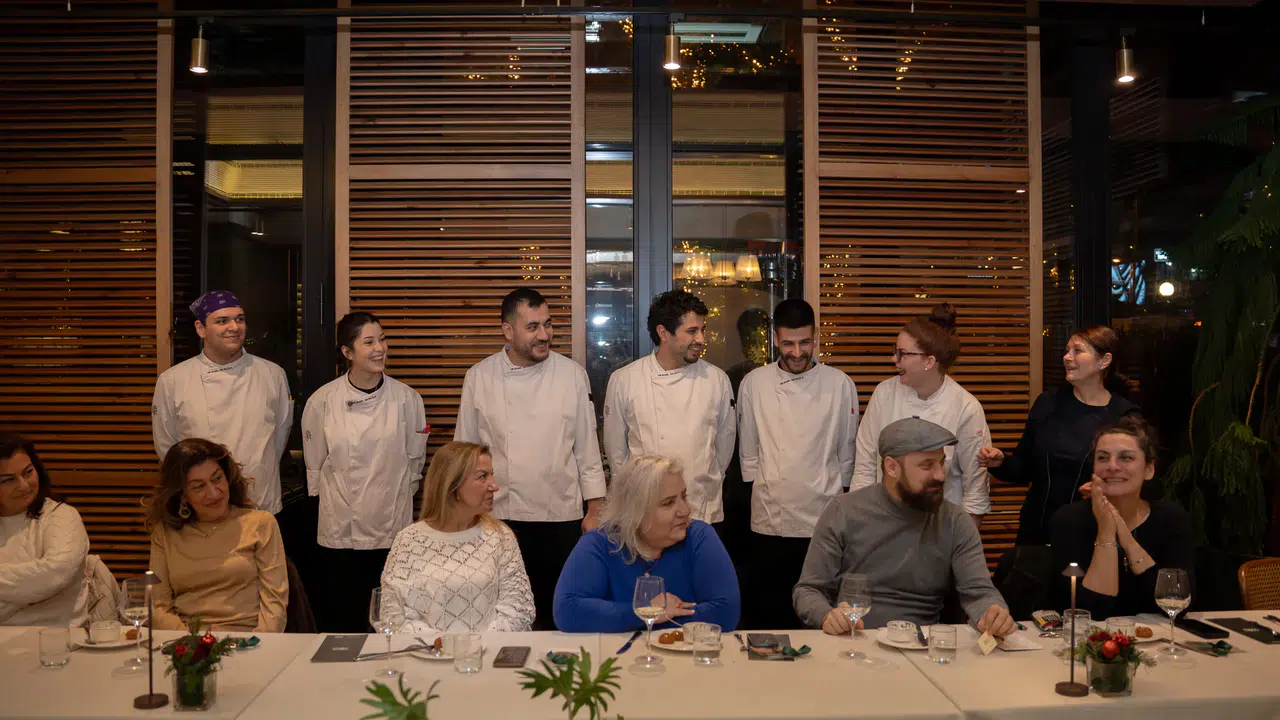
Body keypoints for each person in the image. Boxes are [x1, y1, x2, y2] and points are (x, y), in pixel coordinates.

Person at [454, 288, 606, 631]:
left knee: (558, 614)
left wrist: (595, 510)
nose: (544, 335)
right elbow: (465, 454)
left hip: (561, 516)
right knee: (503, 613)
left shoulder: (571, 375)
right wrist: (465, 513)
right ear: (508, 331)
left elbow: (587, 448)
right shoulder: (479, 377)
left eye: (548, 325)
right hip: (499, 517)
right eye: (533, 327)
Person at [795, 417, 1014, 636]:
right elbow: (808, 590)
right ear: (892, 467)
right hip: (853, 640)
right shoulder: (842, 511)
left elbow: (980, 593)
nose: (940, 475)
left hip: (921, 646)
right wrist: (825, 615)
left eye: (941, 462)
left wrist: (993, 613)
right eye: (927, 465)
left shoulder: (955, 520)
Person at [302, 311, 427, 632]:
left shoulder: (408, 399)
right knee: (344, 620)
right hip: (341, 531)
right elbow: (315, 467)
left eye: (382, 339)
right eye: (368, 342)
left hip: (392, 527)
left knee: (392, 619)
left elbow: (415, 463)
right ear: (347, 352)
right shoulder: (322, 401)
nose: (379, 348)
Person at [737, 298, 857, 629]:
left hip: (823, 519)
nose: (797, 352)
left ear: (815, 337)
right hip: (770, 521)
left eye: (805, 342)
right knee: (770, 615)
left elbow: (847, 455)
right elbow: (749, 455)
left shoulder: (840, 384)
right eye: (788, 343)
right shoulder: (754, 384)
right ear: (775, 339)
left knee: (822, 616)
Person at [978, 326, 1139, 545]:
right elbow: (1024, 468)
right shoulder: (1048, 404)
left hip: (1092, 536)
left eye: (1077, 351)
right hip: (1036, 533)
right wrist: (1000, 461)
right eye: (1067, 350)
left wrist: (1108, 490)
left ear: (1104, 361)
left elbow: (1140, 484)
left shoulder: (1123, 416)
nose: (1067, 357)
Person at [553, 455, 740, 633]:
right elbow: (568, 610)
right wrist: (644, 612)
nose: (685, 510)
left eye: (683, 497)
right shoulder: (600, 542)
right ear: (635, 513)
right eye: (668, 503)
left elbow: (725, 612)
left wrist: (637, 622)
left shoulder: (699, 536)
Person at [152, 290, 293, 514]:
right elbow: (167, 447)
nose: (234, 327)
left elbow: (279, 436)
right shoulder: (173, 381)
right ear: (201, 329)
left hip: (260, 501)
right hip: (202, 506)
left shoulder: (272, 374)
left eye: (239, 319)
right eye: (222, 321)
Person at [603, 290, 736, 527]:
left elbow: (724, 448)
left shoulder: (717, 380)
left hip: (701, 512)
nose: (701, 340)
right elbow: (617, 457)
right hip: (644, 516)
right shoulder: (625, 380)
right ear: (664, 333)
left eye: (702, 330)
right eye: (692, 331)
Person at [850, 303, 991, 524]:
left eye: (903, 354)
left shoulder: (966, 408)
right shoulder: (884, 393)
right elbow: (865, 464)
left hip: (940, 528)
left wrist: (961, 546)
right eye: (895, 351)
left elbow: (976, 490)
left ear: (929, 362)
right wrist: (861, 524)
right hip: (883, 523)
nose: (895, 360)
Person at [380, 442, 535, 634]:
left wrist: (473, 648)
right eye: (482, 477)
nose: (494, 486)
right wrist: (443, 649)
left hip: (488, 657)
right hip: (424, 657)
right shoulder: (409, 541)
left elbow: (518, 611)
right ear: (452, 485)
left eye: (492, 475)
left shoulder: (500, 536)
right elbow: (393, 616)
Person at [1049, 418, 1194, 618]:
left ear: (1149, 470)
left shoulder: (1173, 519)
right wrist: (1106, 532)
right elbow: (1089, 612)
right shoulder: (1069, 520)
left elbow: (1177, 605)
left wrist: (1126, 537)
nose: (1112, 466)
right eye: (1102, 458)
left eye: (1126, 458)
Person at [145, 438, 288, 632]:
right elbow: (158, 607)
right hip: (186, 644)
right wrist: (195, 643)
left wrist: (258, 645)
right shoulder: (164, 534)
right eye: (199, 486)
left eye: (217, 479)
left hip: (250, 642)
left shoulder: (260, 523)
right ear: (182, 495)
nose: (214, 493)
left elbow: (275, 605)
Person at [0, 433, 89, 627]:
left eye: (27, 472)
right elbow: (38, 583)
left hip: (62, 643)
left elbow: (55, 574)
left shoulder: (62, 516)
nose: (23, 485)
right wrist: (29, 591)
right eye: (8, 480)